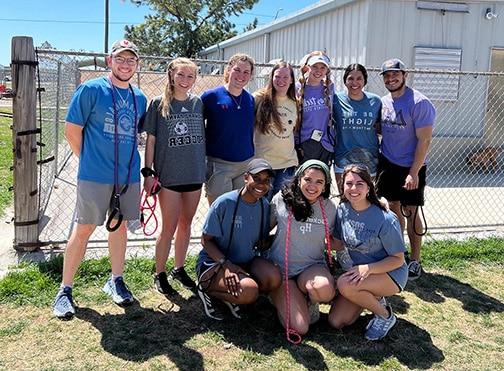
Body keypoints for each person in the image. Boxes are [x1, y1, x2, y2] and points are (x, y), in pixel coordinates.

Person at [52, 39, 147, 318]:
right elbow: (72, 130)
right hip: (95, 175)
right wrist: (90, 160)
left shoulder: (138, 97)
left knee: (118, 228)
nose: (126, 64)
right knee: (83, 229)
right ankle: (65, 290)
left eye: (131, 60)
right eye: (121, 58)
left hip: (128, 177)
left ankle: (116, 280)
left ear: (136, 65)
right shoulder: (92, 89)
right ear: (110, 61)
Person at [142, 57, 205, 295]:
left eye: (190, 76)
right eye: (181, 75)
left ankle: (179, 268)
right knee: (168, 227)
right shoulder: (158, 104)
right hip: (169, 177)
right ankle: (160, 273)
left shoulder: (198, 104)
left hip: (194, 174)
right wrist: (148, 173)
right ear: (171, 75)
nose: (185, 80)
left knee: (185, 225)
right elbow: (151, 140)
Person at [328, 164, 407, 341]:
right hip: (362, 274)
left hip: (390, 274)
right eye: (349, 184)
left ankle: (385, 315)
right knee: (336, 321)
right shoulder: (343, 210)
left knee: (345, 284)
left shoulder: (385, 218)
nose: (353, 188)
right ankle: (373, 296)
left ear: (369, 187)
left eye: (360, 184)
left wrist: (368, 268)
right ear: (342, 186)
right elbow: (339, 244)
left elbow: (398, 259)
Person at [196, 159, 282, 320]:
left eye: (266, 181)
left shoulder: (264, 205)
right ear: (245, 177)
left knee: (274, 277)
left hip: (245, 262)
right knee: (249, 292)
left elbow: (259, 241)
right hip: (216, 263)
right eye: (256, 178)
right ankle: (206, 289)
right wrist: (226, 265)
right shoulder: (224, 202)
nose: (261, 184)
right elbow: (205, 240)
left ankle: (235, 292)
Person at [376, 58, 436, 280]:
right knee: (393, 210)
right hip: (388, 163)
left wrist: (413, 172)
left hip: (412, 166)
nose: (391, 79)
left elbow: (425, 141)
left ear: (404, 75)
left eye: (395, 74)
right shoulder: (384, 102)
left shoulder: (419, 103)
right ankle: (397, 255)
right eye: (387, 76)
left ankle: (416, 260)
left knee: (411, 211)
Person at [266, 160, 338, 339]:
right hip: (282, 271)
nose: (312, 186)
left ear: (325, 185)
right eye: (308, 179)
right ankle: (277, 295)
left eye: (319, 182)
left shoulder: (329, 208)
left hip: (312, 267)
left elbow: (338, 240)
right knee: (300, 328)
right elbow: (263, 230)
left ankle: (308, 298)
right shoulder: (281, 199)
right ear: (298, 179)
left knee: (324, 289)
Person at [202, 53, 256, 205]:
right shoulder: (211, 96)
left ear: (251, 76)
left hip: (245, 165)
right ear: (228, 70)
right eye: (237, 70)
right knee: (220, 210)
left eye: (246, 72)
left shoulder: (250, 99)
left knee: (240, 210)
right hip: (219, 165)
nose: (241, 75)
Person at [253, 60, 298, 198]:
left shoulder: (295, 102)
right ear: (271, 78)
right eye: (277, 76)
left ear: (291, 80)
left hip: (287, 163)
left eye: (285, 77)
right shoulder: (259, 98)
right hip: (264, 164)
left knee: (280, 206)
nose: (281, 80)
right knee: (263, 203)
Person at [333, 63, 381, 184]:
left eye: (359, 78)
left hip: (369, 158)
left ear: (365, 81)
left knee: (367, 198)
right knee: (344, 197)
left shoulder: (375, 101)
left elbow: (381, 128)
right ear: (345, 81)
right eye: (350, 78)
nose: (355, 83)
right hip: (343, 157)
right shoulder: (336, 100)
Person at [296, 51, 335, 166]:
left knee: (323, 180)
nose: (319, 71)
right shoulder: (298, 88)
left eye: (323, 67)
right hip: (305, 143)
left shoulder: (329, 88)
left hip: (325, 143)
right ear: (308, 68)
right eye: (315, 67)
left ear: (327, 71)